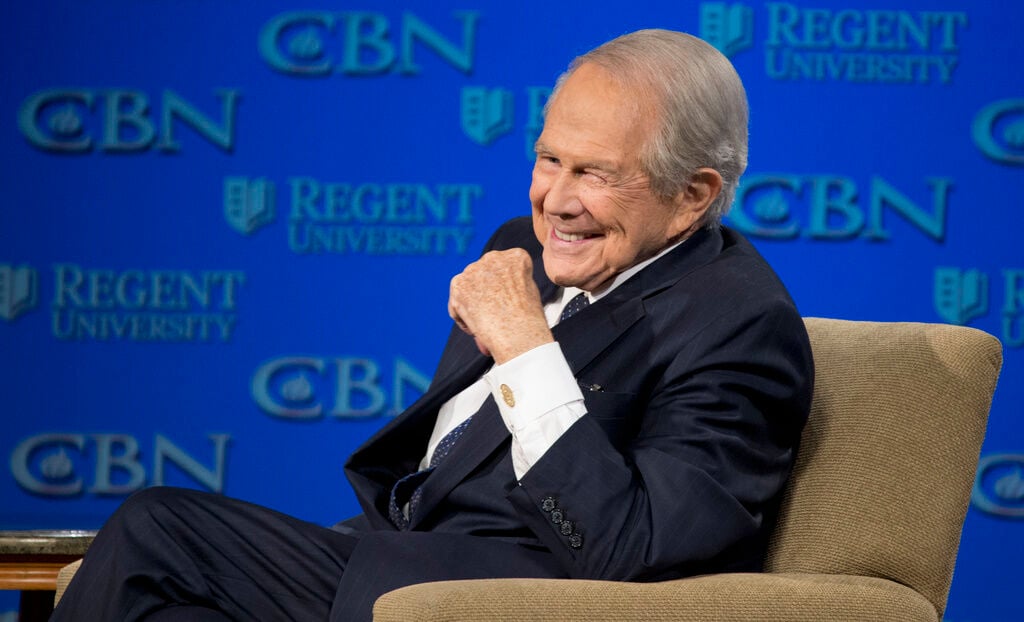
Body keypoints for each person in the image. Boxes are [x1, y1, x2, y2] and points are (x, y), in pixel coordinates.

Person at [52, 29, 813, 621]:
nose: (556, 200)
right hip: (399, 553)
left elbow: (632, 547)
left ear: (693, 196)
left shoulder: (739, 324)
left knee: (158, 529)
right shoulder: (521, 245)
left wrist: (524, 347)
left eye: (595, 174)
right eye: (550, 159)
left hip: (498, 592)